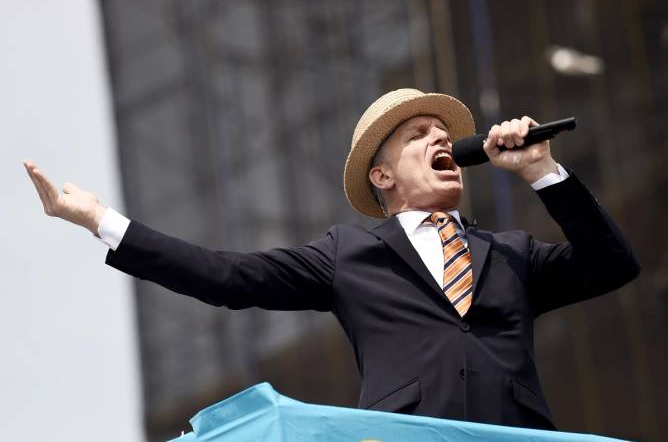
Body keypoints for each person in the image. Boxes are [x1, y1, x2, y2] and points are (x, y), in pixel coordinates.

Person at [23, 88, 639, 430]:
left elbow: (613, 265)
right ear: (383, 175)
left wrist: (542, 170)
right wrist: (100, 220)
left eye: (443, 134)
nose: (439, 140)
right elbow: (228, 277)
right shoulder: (352, 256)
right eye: (418, 136)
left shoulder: (512, 253)